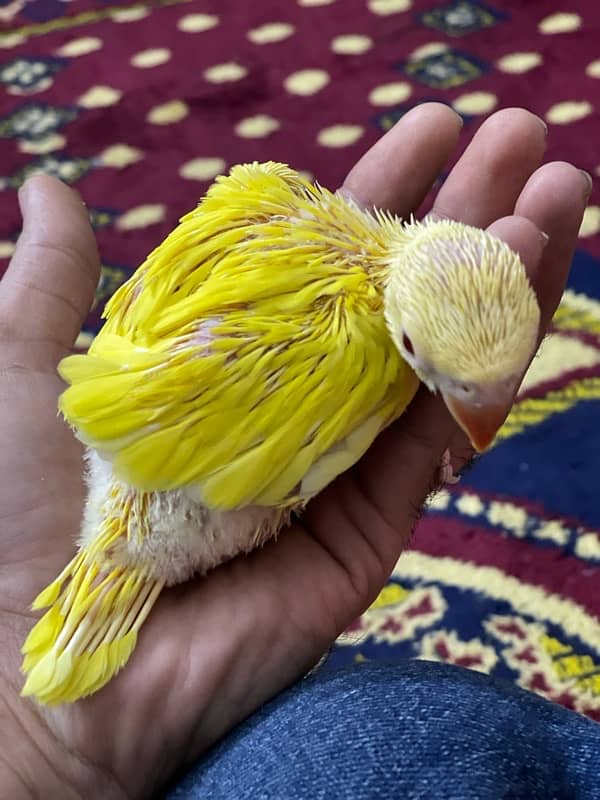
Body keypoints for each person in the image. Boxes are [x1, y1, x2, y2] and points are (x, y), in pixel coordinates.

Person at [0, 103, 594, 799]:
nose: (479, 418)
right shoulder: (350, 352)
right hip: (172, 494)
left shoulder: (264, 187)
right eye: (418, 355)